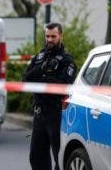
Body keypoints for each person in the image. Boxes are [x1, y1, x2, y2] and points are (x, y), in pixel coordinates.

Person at [22, 22, 76, 170]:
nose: (50, 39)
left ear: (61, 36)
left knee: (59, 156)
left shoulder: (67, 61)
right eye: (47, 36)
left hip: (56, 113)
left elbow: (64, 86)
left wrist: (43, 78)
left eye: (53, 36)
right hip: (39, 113)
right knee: (36, 157)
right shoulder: (39, 57)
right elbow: (25, 80)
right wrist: (42, 69)